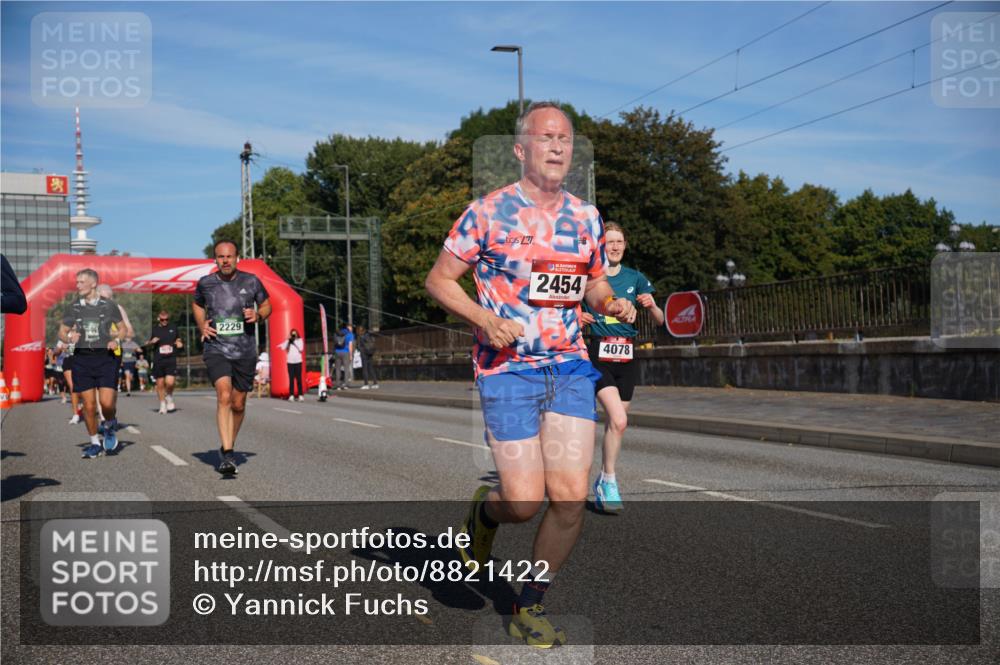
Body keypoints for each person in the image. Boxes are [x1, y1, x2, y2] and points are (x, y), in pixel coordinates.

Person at [425, 102, 636, 648]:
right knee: (521, 502)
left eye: (565, 138)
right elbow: (440, 280)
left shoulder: (586, 217)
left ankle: (529, 604)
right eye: (546, 137)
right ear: (521, 150)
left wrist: (609, 302)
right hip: (508, 371)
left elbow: (593, 281)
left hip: (568, 366)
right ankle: (485, 513)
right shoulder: (488, 213)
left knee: (568, 497)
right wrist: (484, 319)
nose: (558, 146)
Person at [579, 222, 664, 512]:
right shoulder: (591, 278)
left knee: (617, 424)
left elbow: (661, 320)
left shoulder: (635, 277)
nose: (614, 247)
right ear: (601, 246)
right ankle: (611, 481)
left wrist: (651, 306)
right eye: (609, 242)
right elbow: (568, 307)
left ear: (625, 246)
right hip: (598, 353)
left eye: (619, 242)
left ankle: (604, 478)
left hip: (627, 356)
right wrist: (578, 315)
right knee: (618, 418)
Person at [193, 240, 271, 475]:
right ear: (215, 259)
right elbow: (197, 305)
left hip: (244, 351)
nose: (225, 260)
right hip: (216, 348)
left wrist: (258, 315)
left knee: (238, 404)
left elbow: (267, 305)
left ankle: (229, 444)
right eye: (220, 256)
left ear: (237, 258)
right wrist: (202, 326)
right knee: (224, 395)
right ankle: (228, 454)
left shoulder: (251, 281)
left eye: (229, 256)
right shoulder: (206, 283)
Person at [58, 268, 126, 458]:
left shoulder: (109, 305)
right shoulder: (73, 306)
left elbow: (123, 329)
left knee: (106, 404)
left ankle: (109, 424)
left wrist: (116, 340)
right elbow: (61, 331)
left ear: (93, 283)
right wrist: (69, 337)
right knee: (88, 405)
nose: (77, 285)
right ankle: (95, 442)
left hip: (105, 358)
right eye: (77, 282)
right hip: (82, 360)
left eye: (81, 282)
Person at [147, 310, 183, 414]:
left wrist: (179, 343)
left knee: (170, 382)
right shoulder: (154, 330)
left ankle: (169, 396)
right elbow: (146, 343)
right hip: (158, 359)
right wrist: (151, 342)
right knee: (160, 384)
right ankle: (162, 404)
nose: (164, 321)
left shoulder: (173, 327)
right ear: (159, 319)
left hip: (170, 358)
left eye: (166, 319)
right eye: (162, 320)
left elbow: (178, 339)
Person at [280, 329, 304, 401]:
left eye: (295, 334)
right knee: (291, 379)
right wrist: (288, 340)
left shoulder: (300, 340)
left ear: (297, 334)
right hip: (290, 362)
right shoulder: (289, 341)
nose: (294, 335)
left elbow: (301, 349)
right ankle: (291, 395)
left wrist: (294, 342)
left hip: (298, 362)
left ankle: (300, 395)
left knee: (299, 379)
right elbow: (283, 347)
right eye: (292, 334)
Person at [356, 325, 379, 390]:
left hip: (364, 354)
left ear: (359, 331)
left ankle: (366, 384)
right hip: (370, 353)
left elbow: (359, 346)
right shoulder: (369, 335)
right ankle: (375, 383)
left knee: (365, 369)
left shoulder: (361, 337)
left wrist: (359, 349)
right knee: (371, 368)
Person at [332, 324, 353, 390]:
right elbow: (350, 345)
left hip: (337, 351)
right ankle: (345, 384)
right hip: (345, 352)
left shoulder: (337, 333)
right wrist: (351, 355)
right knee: (346, 368)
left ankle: (338, 385)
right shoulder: (350, 334)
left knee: (338, 369)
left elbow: (334, 343)